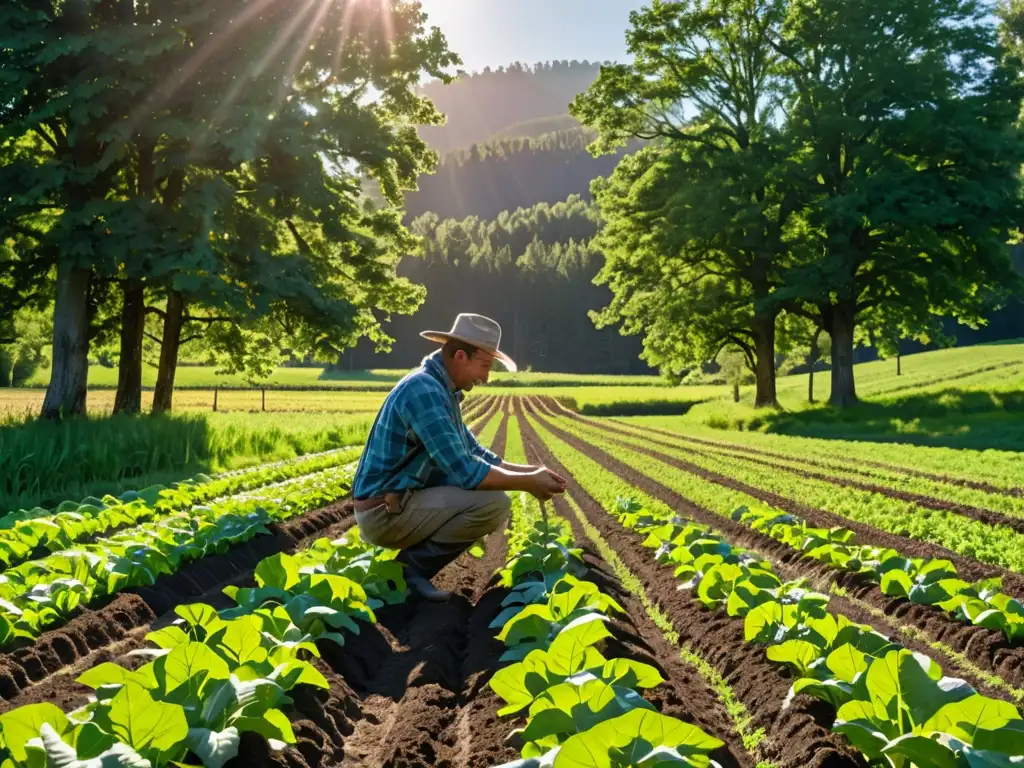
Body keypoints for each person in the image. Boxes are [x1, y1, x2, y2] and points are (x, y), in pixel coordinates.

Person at [350, 313, 568, 601]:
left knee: (491, 498)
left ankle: (406, 572)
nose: (486, 377)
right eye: (485, 366)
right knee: (493, 504)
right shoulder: (424, 391)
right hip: (383, 512)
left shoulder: (440, 389)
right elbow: (466, 471)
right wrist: (528, 482)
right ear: (462, 356)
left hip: (401, 501)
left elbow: (475, 452)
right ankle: (408, 572)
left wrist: (531, 471)